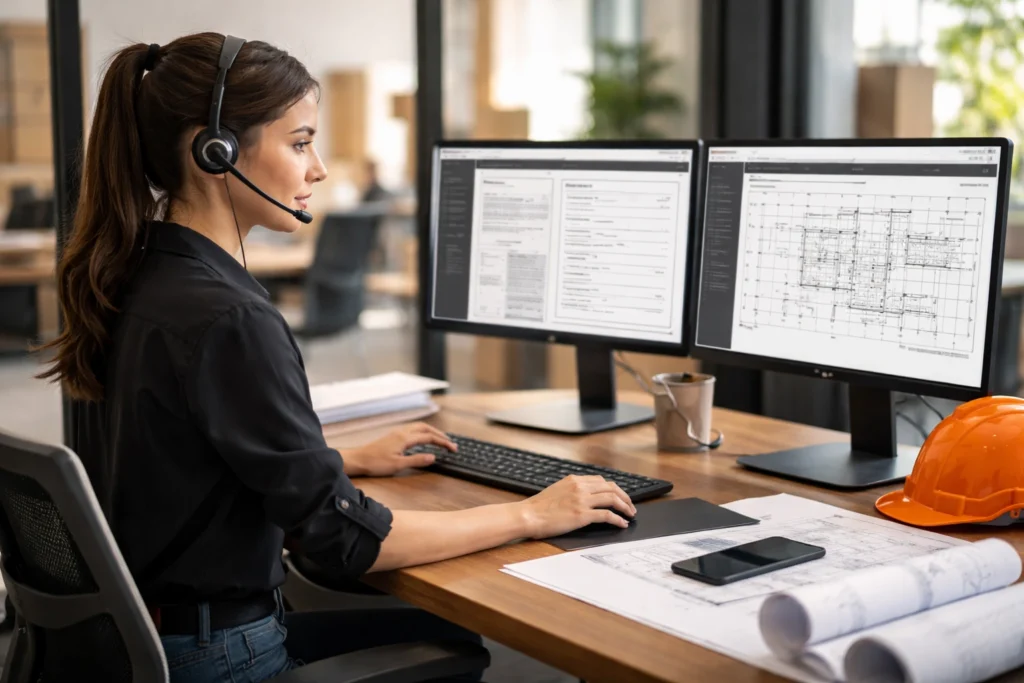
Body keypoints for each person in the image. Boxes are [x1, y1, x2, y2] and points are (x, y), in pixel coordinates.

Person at [37, 32, 635, 683]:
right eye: (299, 142)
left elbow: (182, 456)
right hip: (222, 655)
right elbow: (343, 540)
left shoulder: (143, 276)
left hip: (157, 638)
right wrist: (532, 513)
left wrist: (339, 459)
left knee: (440, 629)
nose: (318, 168)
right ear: (216, 152)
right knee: (462, 639)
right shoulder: (228, 317)